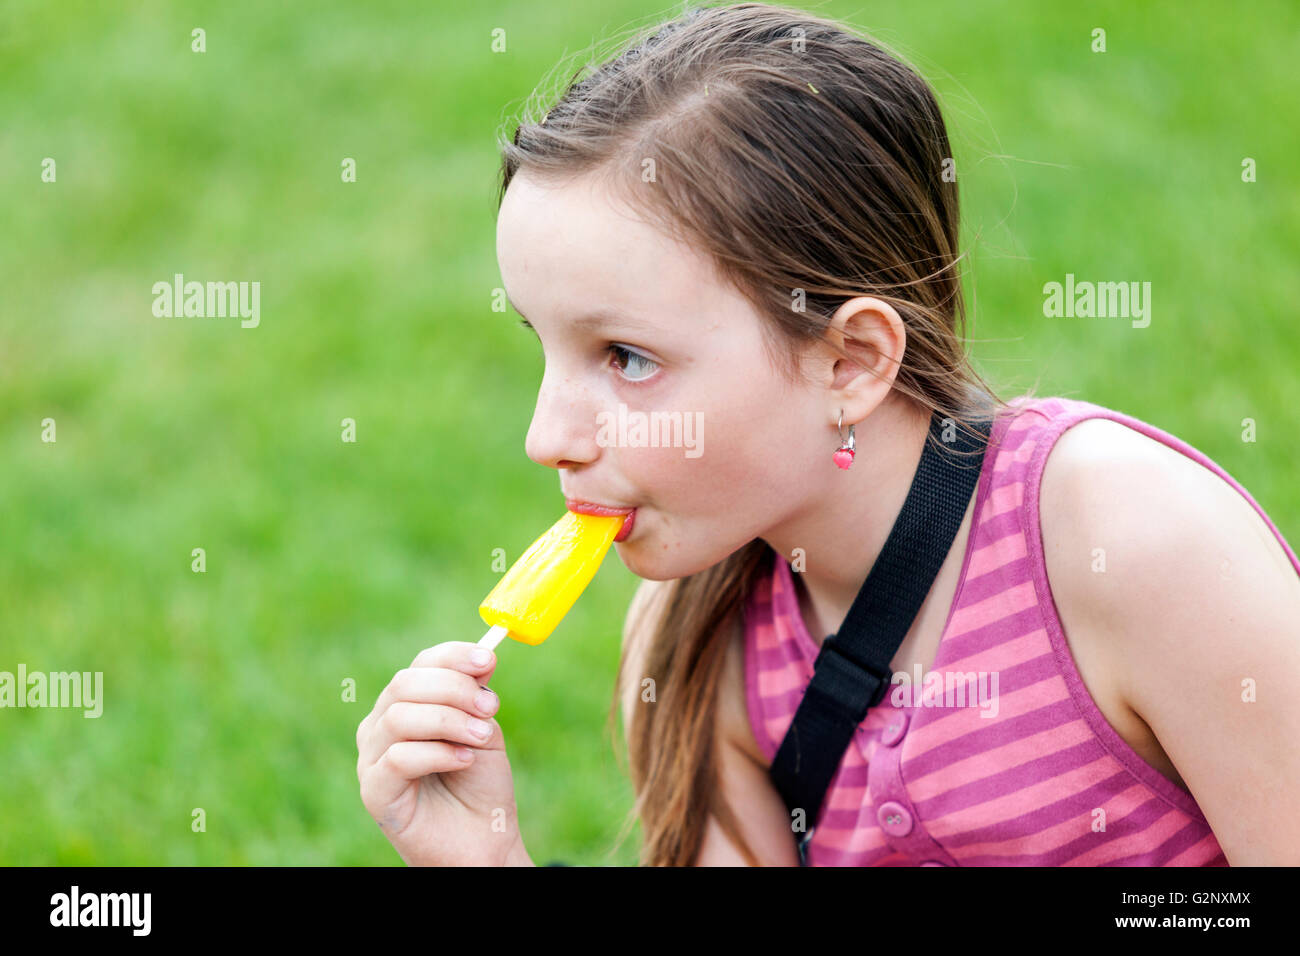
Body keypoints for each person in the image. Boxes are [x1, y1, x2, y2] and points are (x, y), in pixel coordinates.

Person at [356, 1, 1300, 866]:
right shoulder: (697, 637)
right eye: (546, 348)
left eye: (627, 358)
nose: (545, 435)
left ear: (849, 362)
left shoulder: (1133, 544)